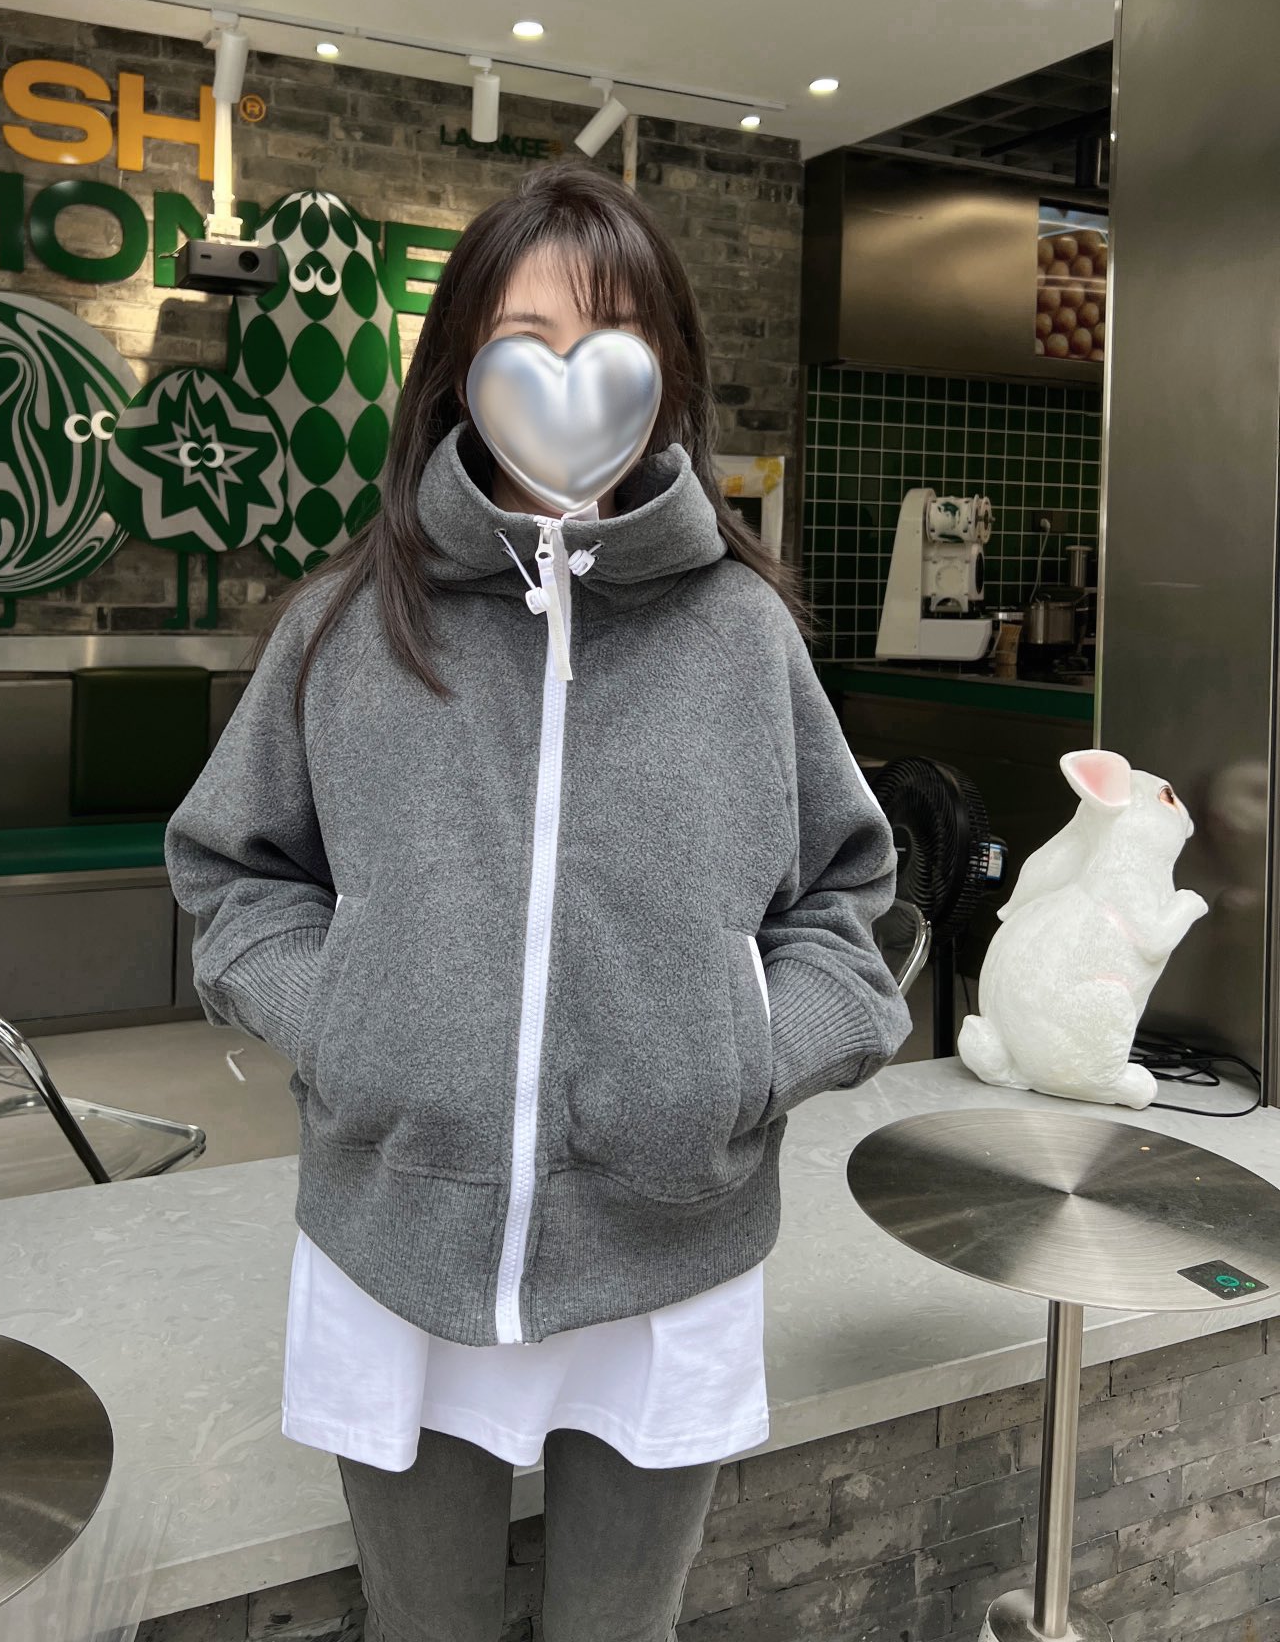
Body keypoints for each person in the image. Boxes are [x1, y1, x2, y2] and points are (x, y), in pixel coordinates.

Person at [165, 160, 912, 1641]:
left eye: (614, 337)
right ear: (458, 366)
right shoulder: (345, 625)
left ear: (669, 371)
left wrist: (742, 1057)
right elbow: (234, 870)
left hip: (671, 1240)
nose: (573, 375)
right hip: (398, 1233)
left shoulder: (742, 635)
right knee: (423, 1627)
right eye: (528, 337)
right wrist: (357, 1020)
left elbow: (850, 904)